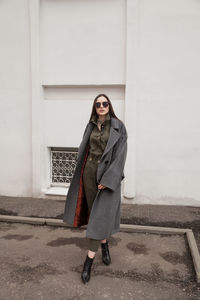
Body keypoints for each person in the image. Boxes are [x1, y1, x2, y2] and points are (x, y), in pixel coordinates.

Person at [63, 93, 128, 284]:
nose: (101, 106)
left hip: (106, 177)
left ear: (109, 106)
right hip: (89, 173)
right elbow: (85, 149)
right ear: (95, 107)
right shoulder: (90, 125)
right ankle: (104, 245)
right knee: (94, 215)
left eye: (105, 103)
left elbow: (120, 156)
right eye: (98, 104)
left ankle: (88, 262)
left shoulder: (118, 126)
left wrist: (108, 179)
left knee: (100, 216)